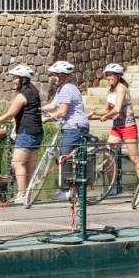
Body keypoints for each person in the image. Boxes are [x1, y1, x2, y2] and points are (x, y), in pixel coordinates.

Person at [0, 65, 42, 204]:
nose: (13, 81)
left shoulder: (21, 95)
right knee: (30, 165)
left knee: (17, 163)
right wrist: (16, 120)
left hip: (26, 133)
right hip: (37, 132)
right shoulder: (34, 92)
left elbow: (9, 113)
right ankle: (28, 194)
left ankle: (21, 195)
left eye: (15, 78)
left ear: (23, 80)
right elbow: (28, 113)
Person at [88, 63, 139, 188]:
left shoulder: (121, 88)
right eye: (107, 76)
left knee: (134, 158)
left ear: (118, 75)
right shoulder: (112, 91)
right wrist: (94, 113)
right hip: (117, 128)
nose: (108, 78)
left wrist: (106, 117)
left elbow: (117, 109)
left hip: (128, 127)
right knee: (109, 155)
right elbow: (107, 109)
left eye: (111, 75)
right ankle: (112, 188)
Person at [44, 60, 89, 200]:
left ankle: (67, 190)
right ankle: (71, 187)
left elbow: (62, 111)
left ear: (63, 75)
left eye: (55, 75)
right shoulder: (61, 89)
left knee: (65, 157)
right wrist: (34, 110)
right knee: (64, 157)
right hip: (69, 127)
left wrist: (45, 119)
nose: (52, 77)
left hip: (74, 127)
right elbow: (52, 105)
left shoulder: (68, 89)